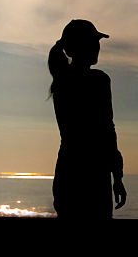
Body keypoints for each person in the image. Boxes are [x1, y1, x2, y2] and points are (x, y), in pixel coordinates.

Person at [48, 19, 126, 220]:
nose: (97, 47)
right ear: (80, 47)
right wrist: (117, 177)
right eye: (93, 42)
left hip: (68, 170)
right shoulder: (98, 80)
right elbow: (108, 131)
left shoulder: (61, 80)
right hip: (93, 173)